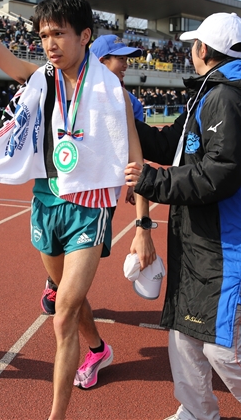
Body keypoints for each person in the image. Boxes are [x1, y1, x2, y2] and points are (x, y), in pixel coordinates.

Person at [0, 0, 154, 420]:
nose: (50, 44)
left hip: (89, 203)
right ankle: (98, 349)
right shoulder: (41, 79)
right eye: (44, 35)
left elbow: (133, 149)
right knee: (66, 295)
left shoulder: (110, 89)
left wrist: (143, 220)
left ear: (84, 35)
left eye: (59, 34)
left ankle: (56, 414)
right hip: (46, 197)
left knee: (63, 310)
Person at [125, 13, 241, 420]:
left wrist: (152, 183)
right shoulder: (210, 93)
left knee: (227, 347)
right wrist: (127, 120)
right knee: (185, 333)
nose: (190, 51)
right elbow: (171, 142)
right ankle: (196, 410)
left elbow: (220, 174)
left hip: (232, 242)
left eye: (193, 45)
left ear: (202, 50)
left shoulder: (229, 97)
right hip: (202, 238)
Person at [39, 34, 146, 315]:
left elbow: (134, 146)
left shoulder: (129, 102)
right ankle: (56, 281)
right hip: (60, 185)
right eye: (119, 58)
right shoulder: (61, 89)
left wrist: (137, 184)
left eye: (127, 58)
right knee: (55, 248)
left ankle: (66, 295)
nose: (125, 64)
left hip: (99, 194)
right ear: (100, 61)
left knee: (78, 270)